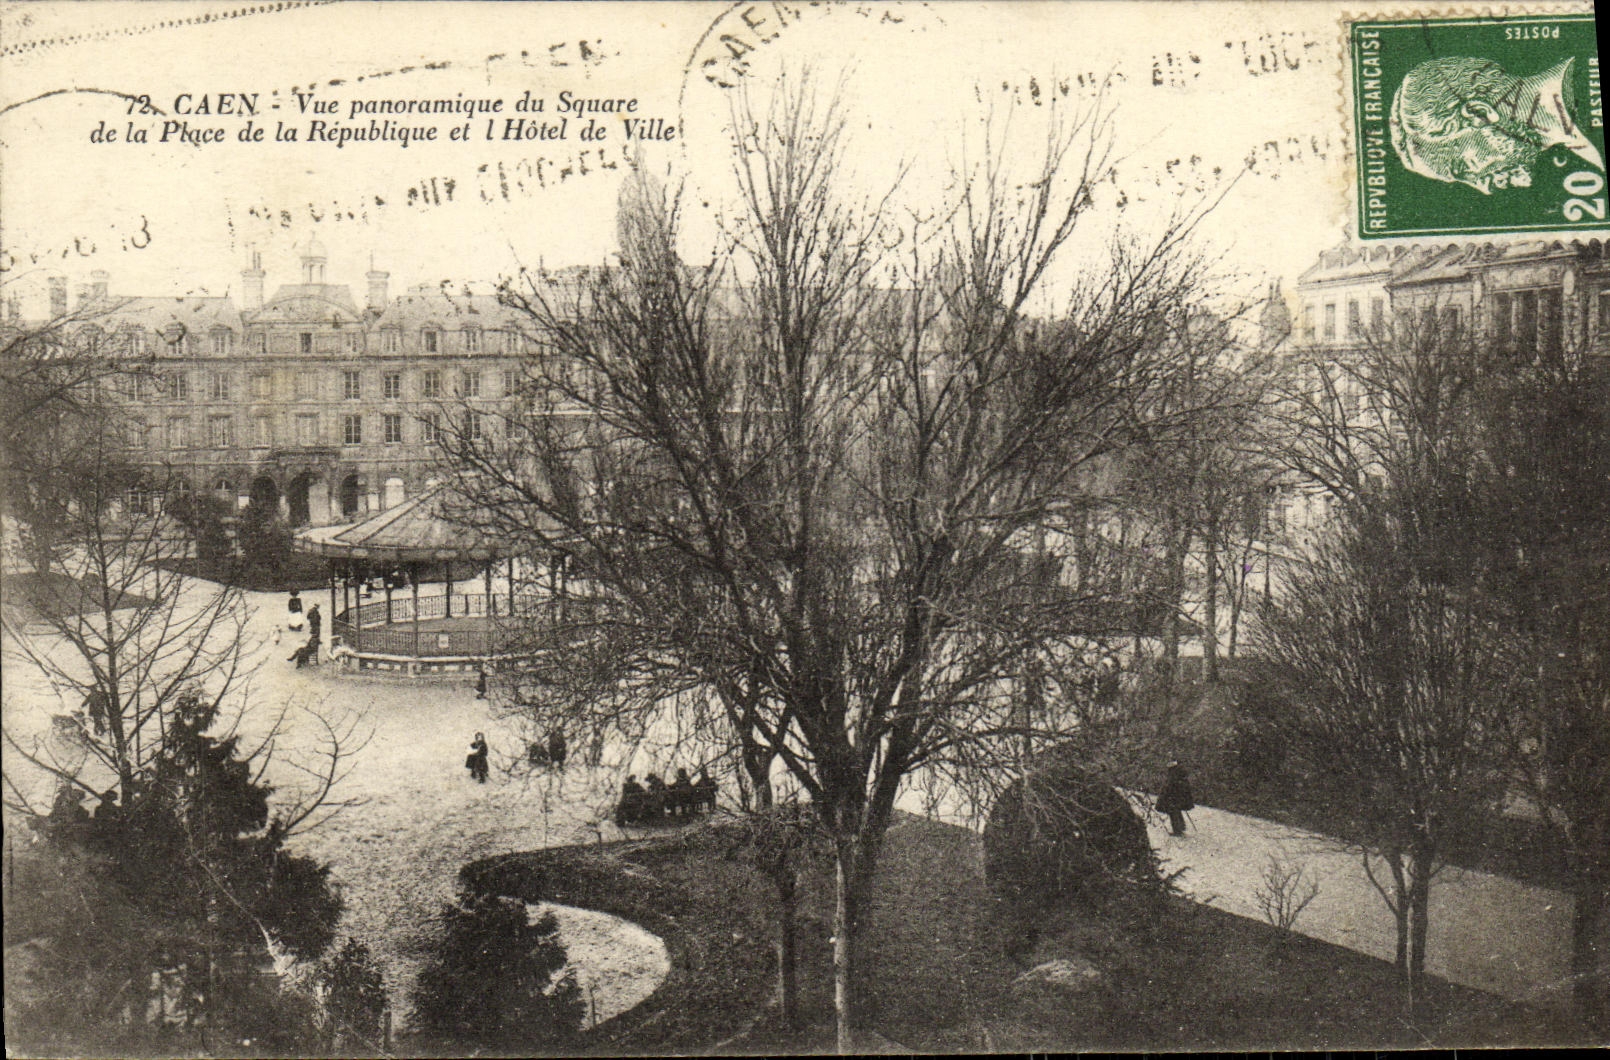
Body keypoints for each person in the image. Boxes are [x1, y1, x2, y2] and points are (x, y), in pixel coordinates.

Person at [1391, 55, 1603, 196]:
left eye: (1462, 168)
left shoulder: (1585, 84)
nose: (1485, 189)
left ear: (1479, 113)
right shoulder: (1582, 152)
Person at [1156, 759, 1196, 837]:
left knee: (1173, 812)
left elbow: (1170, 785)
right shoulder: (1180, 772)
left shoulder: (1174, 773)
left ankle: (1177, 830)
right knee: (1176, 811)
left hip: (1174, 796)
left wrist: (1165, 793)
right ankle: (1181, 827)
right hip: (1179, 796)